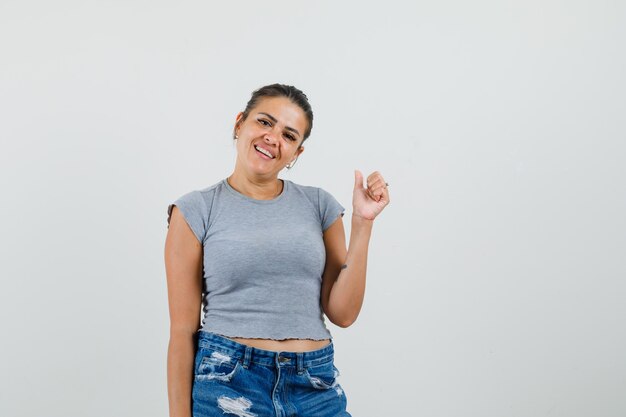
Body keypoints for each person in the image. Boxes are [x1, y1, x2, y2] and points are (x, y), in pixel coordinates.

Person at [164, 83, 390, 417]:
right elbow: (182, 332)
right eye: (265, 122)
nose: (273, 138)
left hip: (314, 385)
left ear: (297, 153)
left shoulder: (319, 205)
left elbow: (343, 313)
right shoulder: (195, 211)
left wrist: (363, 223)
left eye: (289, 135)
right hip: (229, 385)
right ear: (240, 123)